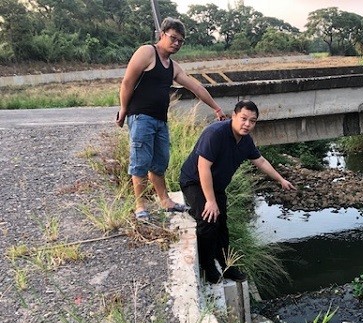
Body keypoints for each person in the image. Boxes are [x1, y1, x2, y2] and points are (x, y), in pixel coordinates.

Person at [116, 17, 227, 221]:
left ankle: (165, 201)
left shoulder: (173, 66)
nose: (176, 43)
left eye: (180, 41)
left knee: (160, 162)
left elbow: (196, 87)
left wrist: (216, 108)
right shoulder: (147, 52)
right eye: (173, 38)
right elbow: (127, 82)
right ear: (162, 34)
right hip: (140, 116)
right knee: (140, 162)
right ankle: (140, 206)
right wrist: (124, 109)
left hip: (160, 120)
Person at [179, 100, 296, 283]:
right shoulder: (215, 133)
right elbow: (203, 167)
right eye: (243, 119)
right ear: (233, 116)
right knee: (208, 220)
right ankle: (207, 266)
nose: (247, 124)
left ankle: (226, 264)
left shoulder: (246, 141)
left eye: (252, 121)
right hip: (194, 181)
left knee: (222, 226)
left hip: (216, 186)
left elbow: (261, 161)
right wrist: (210, 201)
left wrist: (280, 179)